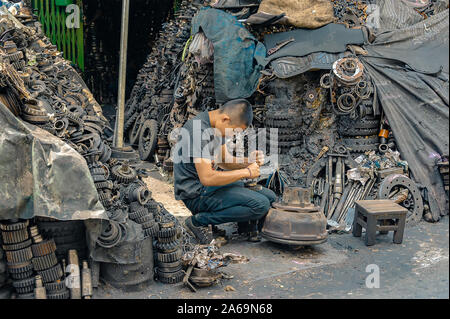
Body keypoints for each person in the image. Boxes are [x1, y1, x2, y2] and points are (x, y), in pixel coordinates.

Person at [173, 99, 276, 244]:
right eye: (234, 131)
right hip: (195, 193)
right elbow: (207, 178)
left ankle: (245, 227)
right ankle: (197, 222)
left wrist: (248, 161)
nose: (231, 136)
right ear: (225, 119)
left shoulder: (214, 126)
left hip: (209, 188)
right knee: (260, 205)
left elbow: (225, 161)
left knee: (270, 197)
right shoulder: (198, 131)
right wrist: (247, 172)